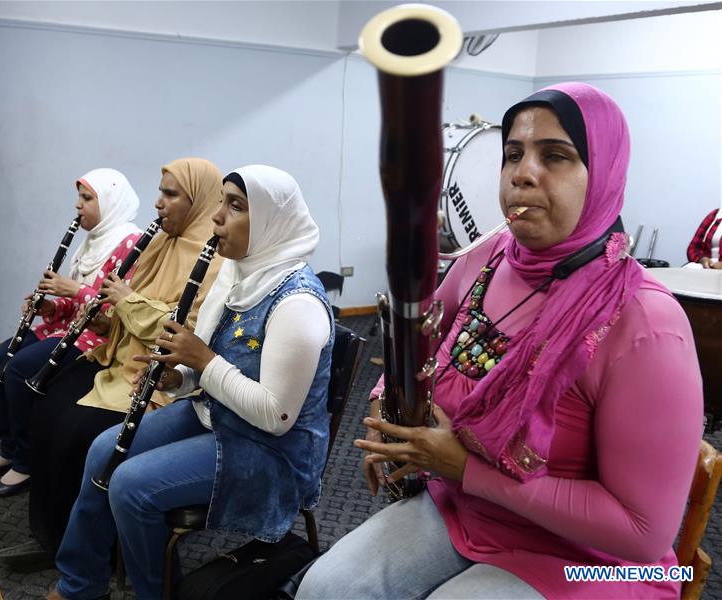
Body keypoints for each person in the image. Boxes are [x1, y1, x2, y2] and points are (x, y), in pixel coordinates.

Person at [297, 83, 704, 599]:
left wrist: (464, 468)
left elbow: (643, 537)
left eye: (554, 156)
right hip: (468, 509)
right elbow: (409, 356)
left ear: (602, 174)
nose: (522, 173)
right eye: (513, 154)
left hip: (599, 561)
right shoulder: (484, 260)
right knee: (325, 589)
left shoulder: (647, 323)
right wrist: (390, 416)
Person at [47, 165, 334, 600]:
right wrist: (177, 375)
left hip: (270, 452)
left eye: (235, 206)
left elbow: (276, 416)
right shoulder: (238, 274)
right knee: (104, 450)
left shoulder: (298, 303)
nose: (217, 217)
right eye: (220, 202)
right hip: (218, 415)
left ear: (271, 221)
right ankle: (81, 583)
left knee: (130, 487)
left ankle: (156, 594)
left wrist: (203, 360)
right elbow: (206, 369)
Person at [0, 158, 224, 568]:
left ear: (199, 201)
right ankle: (52, 535)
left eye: (171, 195)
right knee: (47, 408)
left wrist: (126, 301)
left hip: (156, 375)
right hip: (116, 358)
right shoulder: (158, 244)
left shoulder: (215, 259)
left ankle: (92, 550)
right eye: (160, 192)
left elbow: (188, 327)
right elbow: (118, 309)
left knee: (74, 432)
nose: (158, 204)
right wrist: (99, 309)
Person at [0, 168, 141, 497]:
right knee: (0, 358)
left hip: (101, 339)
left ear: (110, 202)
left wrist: (73, 289)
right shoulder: (91, 242)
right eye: (78, 197)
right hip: (70, 327)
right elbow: (75, 306)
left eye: (87, 198)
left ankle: (26, 461)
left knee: (20, 370)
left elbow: (112, 311)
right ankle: (9, 446)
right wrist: (52, 309)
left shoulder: (131, 244)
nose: (78, 206)